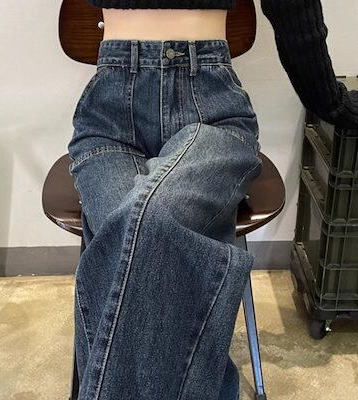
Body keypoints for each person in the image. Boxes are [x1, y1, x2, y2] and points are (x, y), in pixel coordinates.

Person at [67, 1, 357, 399]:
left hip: (212, 110)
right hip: (109, 119)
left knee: (150, 219)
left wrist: (333, 103)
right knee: (131, 236)